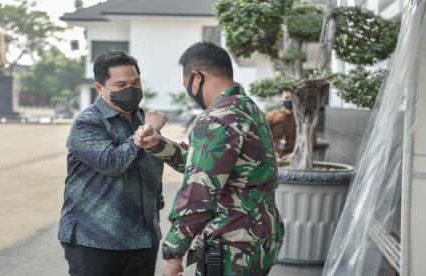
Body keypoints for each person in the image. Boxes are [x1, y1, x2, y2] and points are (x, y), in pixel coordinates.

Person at [134, 42, 284, 276]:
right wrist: (159, 145)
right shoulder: (248, 109)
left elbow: (198, 192)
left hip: (232, 244)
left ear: (197, 77)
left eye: (186, 85)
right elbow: (211, 165)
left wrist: (173, 253)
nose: (189, 91)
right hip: (261, 238)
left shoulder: (217, 118)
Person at [58, 51, 166, 276]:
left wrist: (156, 205)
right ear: (100, 88)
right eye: (121, 84)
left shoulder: (142, 119)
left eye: (135, 82)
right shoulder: (88, 123)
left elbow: (153, 168)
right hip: (94, 240)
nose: (131, 89)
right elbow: (112, 163)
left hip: (142, 238)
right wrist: (147, 131)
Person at [266, 90, 317, 162]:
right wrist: (271, 154)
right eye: (286, 98)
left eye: (292, 98)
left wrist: (295, 154)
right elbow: (261, 138)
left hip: (296, 160)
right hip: (274, 159)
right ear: (281, 99)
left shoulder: (303, 120)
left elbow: (312, 142)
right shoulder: (272, 117)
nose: (289, 100)